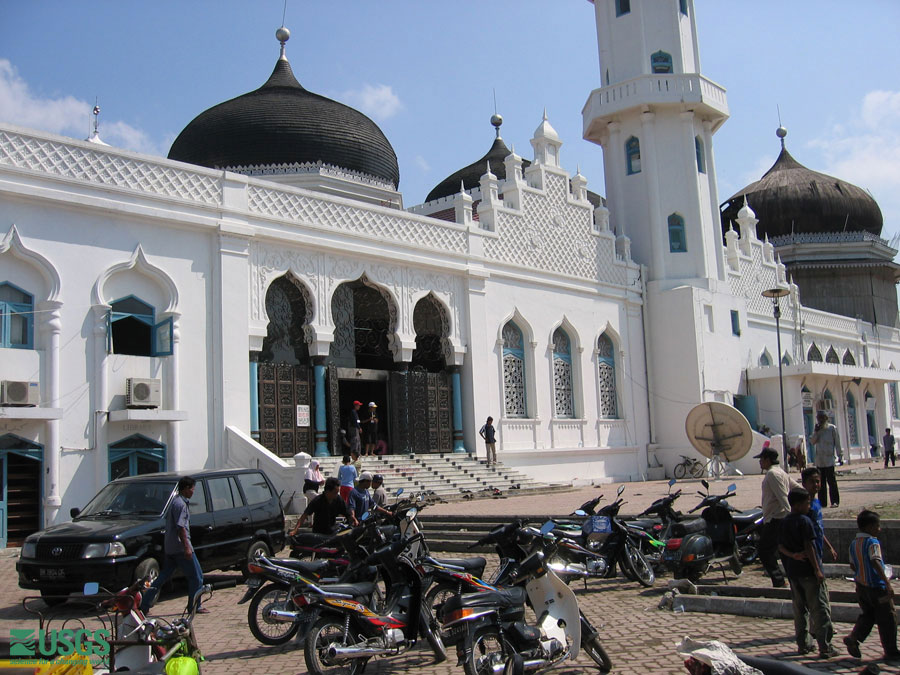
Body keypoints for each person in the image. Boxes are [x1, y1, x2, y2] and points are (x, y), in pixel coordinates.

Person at [777, 488, 837, 658]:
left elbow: (780, 546)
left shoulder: (785, 522)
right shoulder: (804, 522)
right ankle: (825, 646)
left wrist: (792, 556)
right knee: (819, 609)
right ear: (797, 505)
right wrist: (817, 569)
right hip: (808, 572)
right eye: (807, 503)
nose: (809, 506)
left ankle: (803, 644)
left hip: (793, 572)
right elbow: (809, 547)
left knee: (799, 610)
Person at [140, 476, 206, 614]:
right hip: (181, 548)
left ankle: (145, 604)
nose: (193, 492)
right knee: (197, 577)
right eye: (192, 489)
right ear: (187, 489)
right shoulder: (180, 505)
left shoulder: (175, 502)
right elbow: (181, 527)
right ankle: (194, 606)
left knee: (162, 577)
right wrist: (187, 547)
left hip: (171, 547)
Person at [844, 509, 899, 662]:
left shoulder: (854, 543)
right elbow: (875, 561)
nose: (879, 529)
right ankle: (891, 651)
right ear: (869, 527)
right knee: (887, 618)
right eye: (877, 525)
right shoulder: (872, 542)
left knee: (868, 615)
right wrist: (887, 583)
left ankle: (854, 638)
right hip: (877, 588)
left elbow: (853, 565)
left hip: (861, 587)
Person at [757, 443, 801, 588]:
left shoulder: (772, 474)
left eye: (762, 459)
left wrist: (792, 518)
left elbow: (783, 497)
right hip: (774, 517)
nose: (760, 462)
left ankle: (779, 581)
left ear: (768, 460)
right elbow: (797, 488)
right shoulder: (780, 472)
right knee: (781, 550)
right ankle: (791, 579)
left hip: (776, 519)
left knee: (764, 551)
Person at [800, 467, 838, 565]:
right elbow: (806, 536)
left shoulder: (816, 503)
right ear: (804, 484)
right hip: (809, 553)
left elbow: (818, 529)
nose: (815, 485)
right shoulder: (804, 507)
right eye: (811, 482)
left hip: (818, 548)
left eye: (817, 481)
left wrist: (829, 547)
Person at [810, 412, 841, 507]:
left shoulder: (832, 428)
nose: (820, 420)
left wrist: (840, 455)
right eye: (818, 418)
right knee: (821, 483)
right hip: (820, 460)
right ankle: (822, 503)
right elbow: (812, 442)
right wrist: (816, 432)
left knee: (831, 482)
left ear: (826, 418)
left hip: (829, 459)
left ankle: (835, 501)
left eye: (822, 418)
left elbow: (837, 443)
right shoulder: (817, 430)